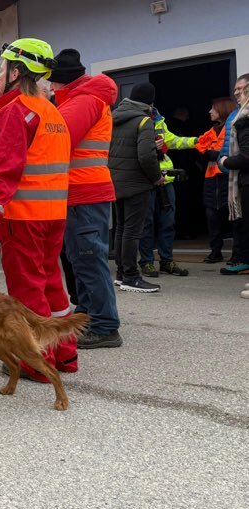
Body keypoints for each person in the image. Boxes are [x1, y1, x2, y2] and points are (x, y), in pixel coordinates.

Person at [0, 38, 77, 382]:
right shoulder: (52, 112)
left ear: (16, 71)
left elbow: (2, 169)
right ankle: (65, 355)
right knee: (52, 286)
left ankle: (37, 364)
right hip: (53, 216)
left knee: (28, 291)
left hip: (23, 218)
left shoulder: (15, 112)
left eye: (1, 69)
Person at [48, 49, 122, 349]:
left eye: (51, 83)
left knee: (89, 260)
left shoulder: (84, 100)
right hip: (81, 192)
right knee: (81, 259)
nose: (48, 88)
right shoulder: (82, 99)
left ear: (60, 82)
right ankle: (89, 313)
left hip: (84, 193)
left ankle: (104, 325)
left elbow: (57, 139)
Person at [109, 82, 164, 293]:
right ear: (150, 101)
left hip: (116, 183)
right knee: (132, 232)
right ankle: (131, 277)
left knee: (122, 229)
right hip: (136, 185)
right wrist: (157, 177)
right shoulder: (144, 121)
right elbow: (146, 157)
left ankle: (122, 274)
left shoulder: (114, 118)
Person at [138, 107, 198, 278]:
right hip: (146, 182)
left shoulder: (160, 122)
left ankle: (166, 261)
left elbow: (175, 141)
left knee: (168, 223)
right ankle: (147, 262)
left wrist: (198, 141)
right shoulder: (135, 122)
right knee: (146, 224)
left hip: (166, 182)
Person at [197, 97, 238, 263]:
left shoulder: (233, 129)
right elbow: (201, 150)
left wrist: (214, 153)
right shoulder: (211, 131)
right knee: (212, 217)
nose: (210, 112)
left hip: (227, 177)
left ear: (221, 110)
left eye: (213, 109)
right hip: (210, 179)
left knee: (235, 217)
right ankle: (215, 251)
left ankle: (238, 254)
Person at [219, 75, 249, 296]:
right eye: (235, 89)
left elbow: (246, 156)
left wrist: (225, 161)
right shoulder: (239, 116)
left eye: (241, 89)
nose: (237, 93)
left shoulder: (244, 119)